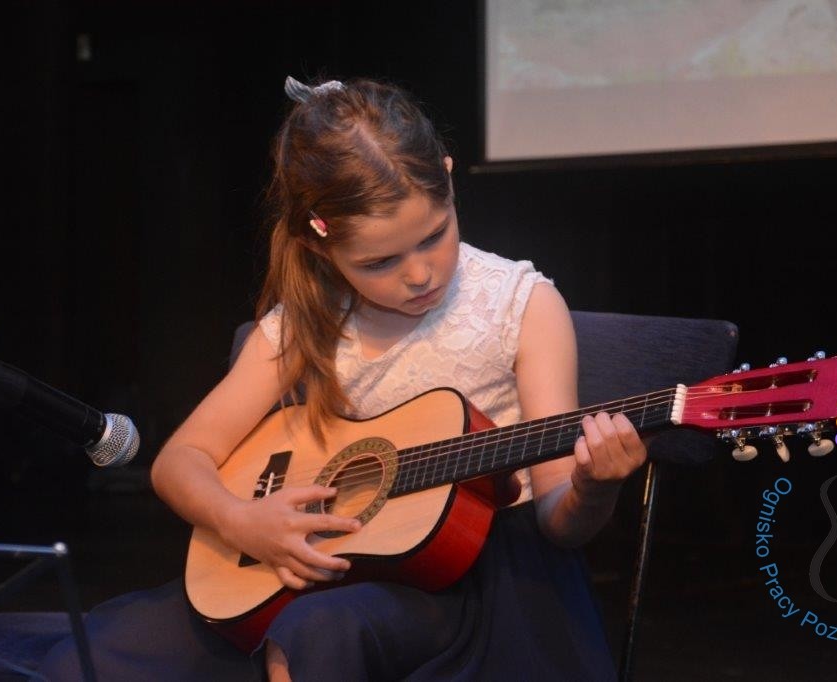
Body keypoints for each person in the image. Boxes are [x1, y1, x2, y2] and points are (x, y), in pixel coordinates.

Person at [41, 76, 648, 681]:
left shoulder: (522, 305)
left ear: (448, 177)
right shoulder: (306, 322)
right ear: (319, 244)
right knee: (84, 662)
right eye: (380, 262)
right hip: (339, 563)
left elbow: (558, 520)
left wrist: (593, 489)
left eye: (434, 236)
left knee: (318, 633)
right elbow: (179, 462)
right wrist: (240, 519)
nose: (419, 274)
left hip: (478, 582)